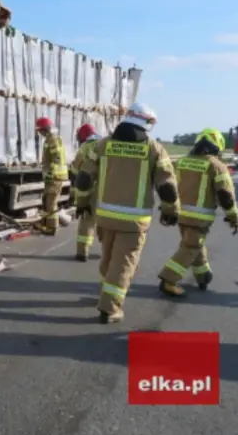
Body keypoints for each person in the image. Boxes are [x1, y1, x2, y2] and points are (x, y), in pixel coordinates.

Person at [74, 102, 179, 324]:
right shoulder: (154, 149)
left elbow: (84, 178)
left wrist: (81, 202)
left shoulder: (102, 145)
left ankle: (106, 293)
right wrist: (170, 210)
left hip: (105, 217)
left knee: (109, 259)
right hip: (134, 221)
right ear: (147, 123)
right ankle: (110, 308)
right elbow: (167, 186)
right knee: (123, 264)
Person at [157, 128, 238, 297]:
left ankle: (203, 275)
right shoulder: (216, 166)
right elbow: (226, 196)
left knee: (193, 244)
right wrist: (233, 217)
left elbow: (168, 185)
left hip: (180, 214)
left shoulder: (181, 162)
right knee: (191, 247)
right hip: (199, 218)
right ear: (217, 145)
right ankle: (168, 280)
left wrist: (166, 208)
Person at [69, 123, 102, 261]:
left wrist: (74, 196)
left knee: (87, 220)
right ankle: (109, 251)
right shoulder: (105, 145)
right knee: (107, 222)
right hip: (108, 189)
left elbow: (75, 171)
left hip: (90, 189)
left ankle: (82, 252)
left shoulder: (85, 147)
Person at [36, 117, 68, 236]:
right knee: (47, 201)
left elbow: (57, 158)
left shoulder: (53, 139)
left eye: (40, 130)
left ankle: (52, 227)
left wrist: (50, 173)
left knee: (51, 202)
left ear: (44, 129)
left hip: (55, 176)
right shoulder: (50, 139)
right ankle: (47, 224)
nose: (39, 133)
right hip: (53, 176)